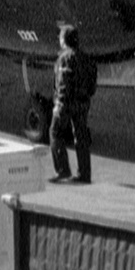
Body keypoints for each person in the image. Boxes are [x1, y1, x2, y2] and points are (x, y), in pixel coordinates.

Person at [50, 24, 97, 184]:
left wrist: (59, 104)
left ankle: (63, 170)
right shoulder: (87, 58)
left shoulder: (65, 58)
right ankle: (85, 174)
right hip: (83, 104)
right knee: (81, 137)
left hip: (67, 103)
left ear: (64, 40)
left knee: (55, 133)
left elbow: (63, 83)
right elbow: (92, 84)